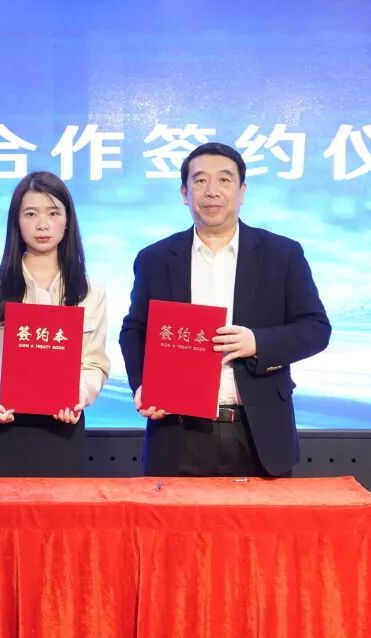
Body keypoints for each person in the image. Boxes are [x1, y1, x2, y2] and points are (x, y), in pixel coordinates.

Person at [118, 142, 330, 477]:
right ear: (184, 193)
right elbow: (134, 330)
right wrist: (143, 385)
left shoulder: (282, 254)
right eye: (200, 180)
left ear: (242, 191)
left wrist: (257, 342)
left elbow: (316, 329)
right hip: (177, 431)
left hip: (259, 433)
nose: (212, 191)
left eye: (225, 180)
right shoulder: (155, 258)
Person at [0, 171, 110, 477]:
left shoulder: (90, 291)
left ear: (67, 221)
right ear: (16, 221)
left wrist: (78, 394)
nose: (42, 224)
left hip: (62, 430)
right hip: (2, 428)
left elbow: (95, 364)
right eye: (31, 214)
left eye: (53, 213)